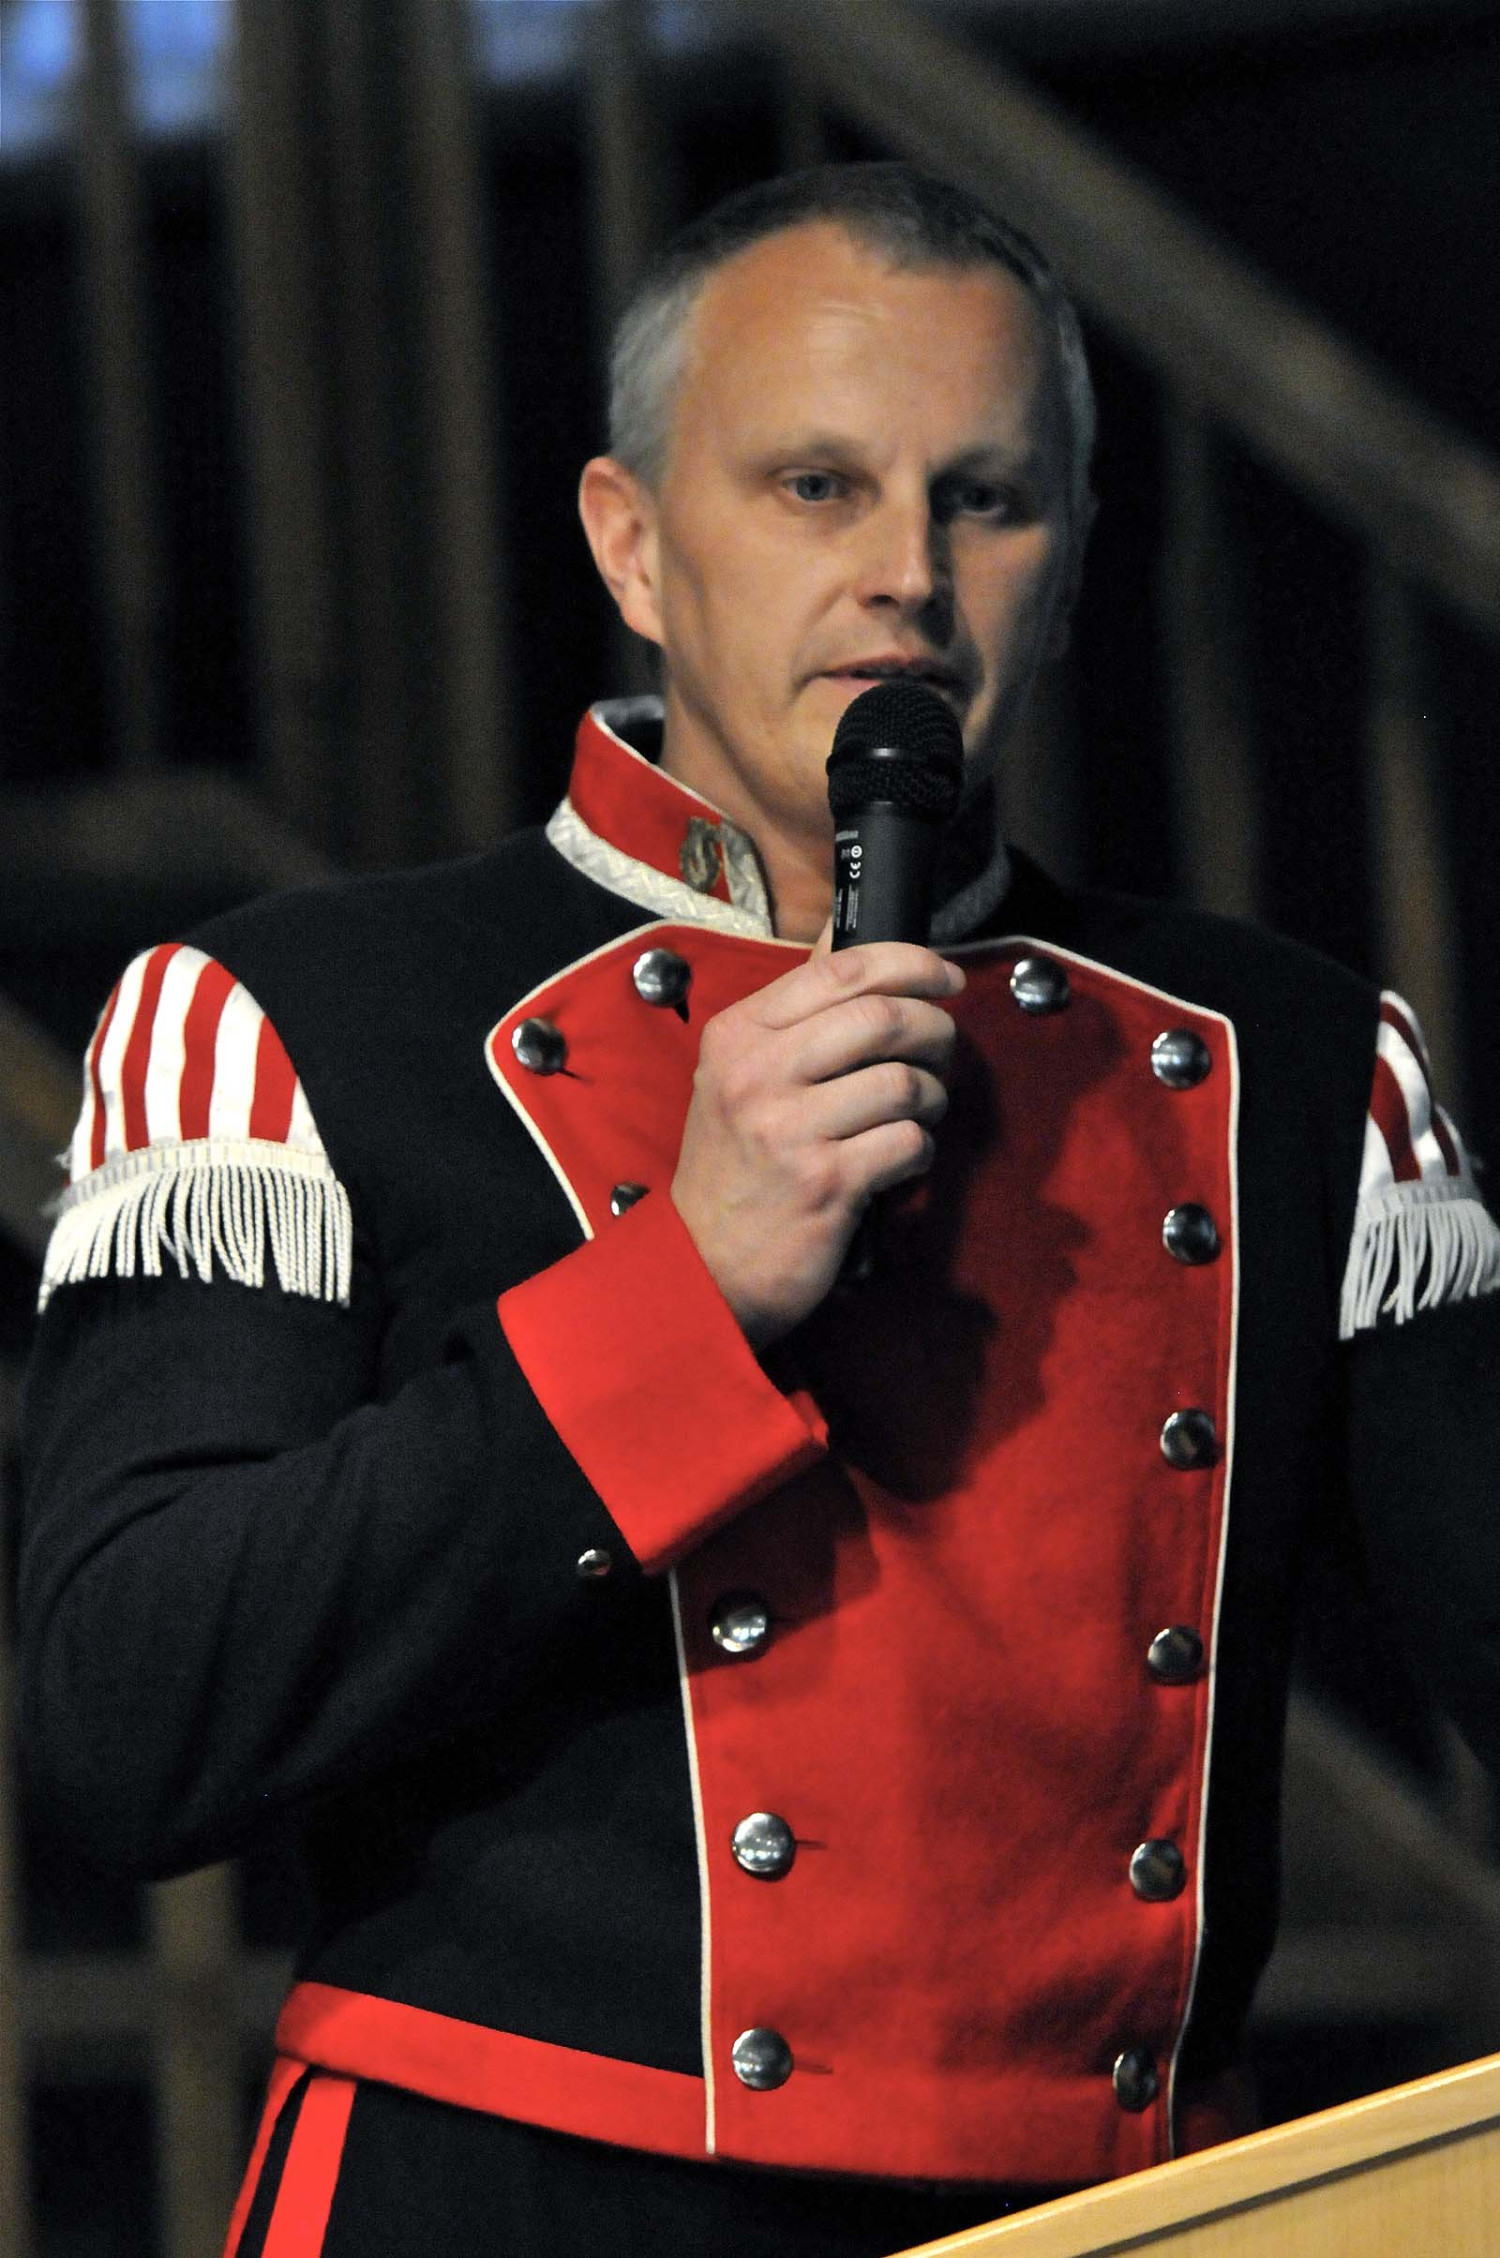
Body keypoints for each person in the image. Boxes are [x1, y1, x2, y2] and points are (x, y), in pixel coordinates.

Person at [17, 163, 1500, 2258]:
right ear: (632, 542)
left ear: (1072, 558)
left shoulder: (1294, 1060)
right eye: (817, 486)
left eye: (986, 500)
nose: (907, 576)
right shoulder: (296, 1016)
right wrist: (681, 1288)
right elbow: (130, 1722)